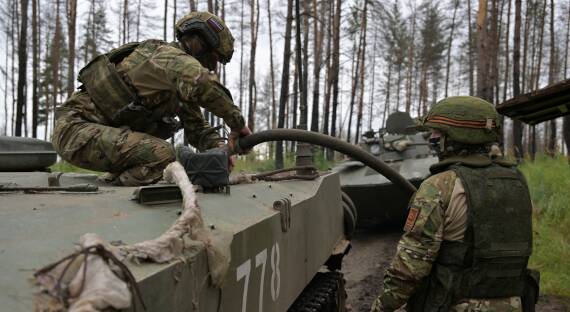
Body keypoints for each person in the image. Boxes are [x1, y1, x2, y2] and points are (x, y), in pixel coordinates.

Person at [371, 96, 538, 312]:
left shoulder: (439, 185)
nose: (431, 137)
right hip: (515, 304)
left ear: (456, 136)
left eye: (437, 133)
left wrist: (381, 306)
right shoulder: (517, 180)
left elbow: (411, 266)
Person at [52, 12, 251, 186]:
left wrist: (220, 148)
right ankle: (116, 194)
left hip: (97, 135)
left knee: (164, 157)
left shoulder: (176, 82)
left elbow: (197, 129)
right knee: (165, 155)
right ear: (201, 44)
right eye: (214, 58)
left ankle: (118, 184)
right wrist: (237, 124)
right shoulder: (162, 56)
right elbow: (203, 84)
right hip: (75, 131)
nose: (214, 67)